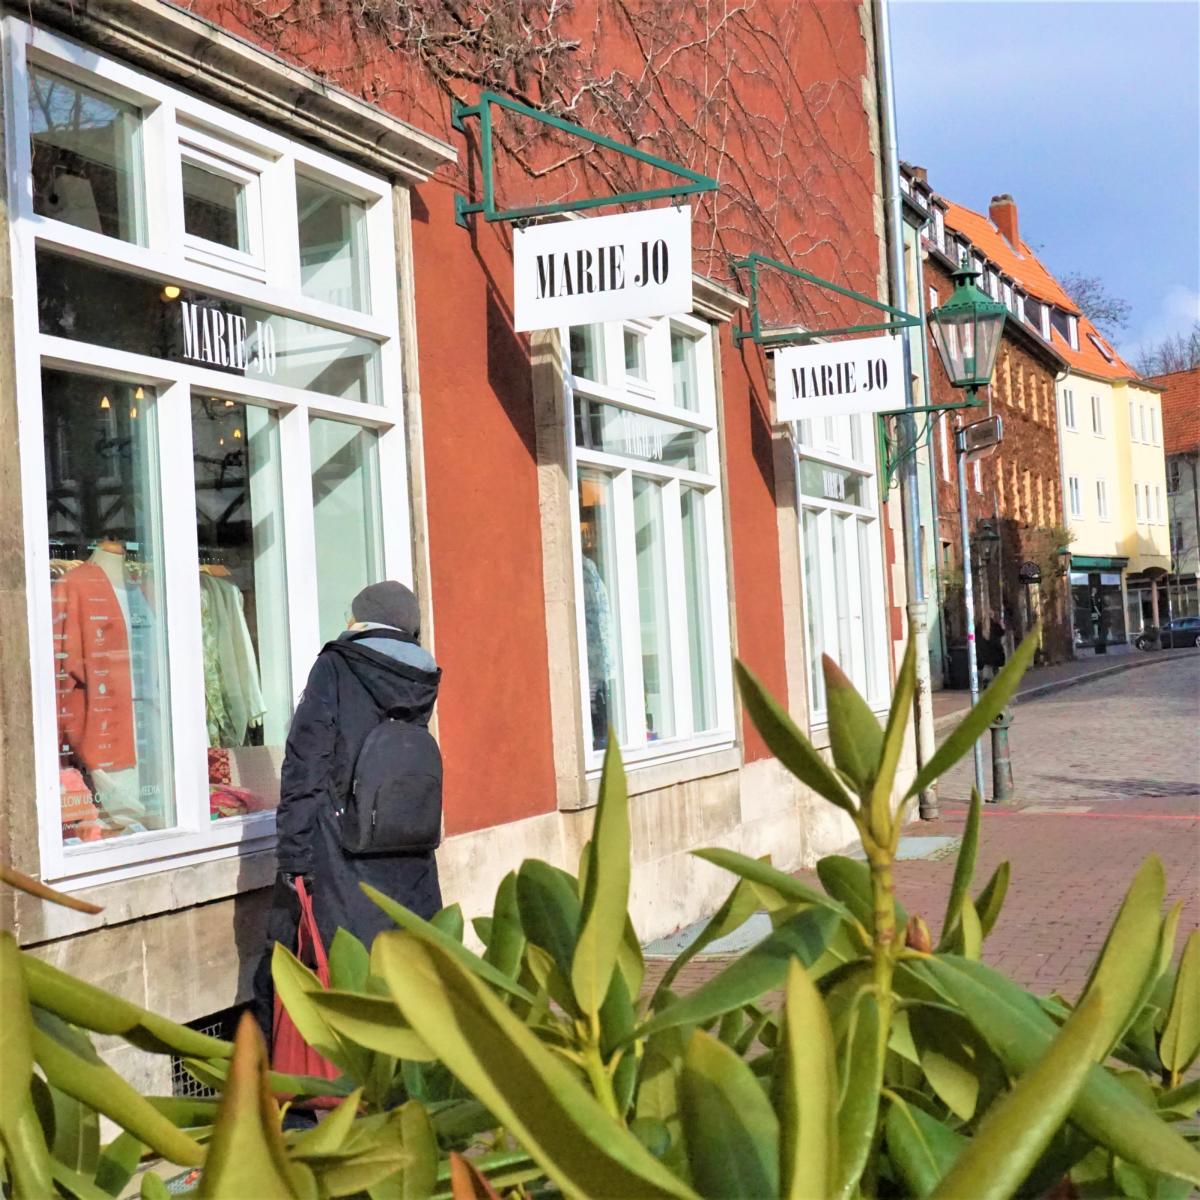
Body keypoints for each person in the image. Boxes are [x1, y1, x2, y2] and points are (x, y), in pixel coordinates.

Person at [253, 581, 442, 1039]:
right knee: (401, 975)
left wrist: (293, 858)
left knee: (293, 972)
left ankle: (297, 1098)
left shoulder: (336, 667)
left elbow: (306, 763)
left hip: (335, 853)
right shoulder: (422, 677)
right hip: (406, 849)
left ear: (362, 619)